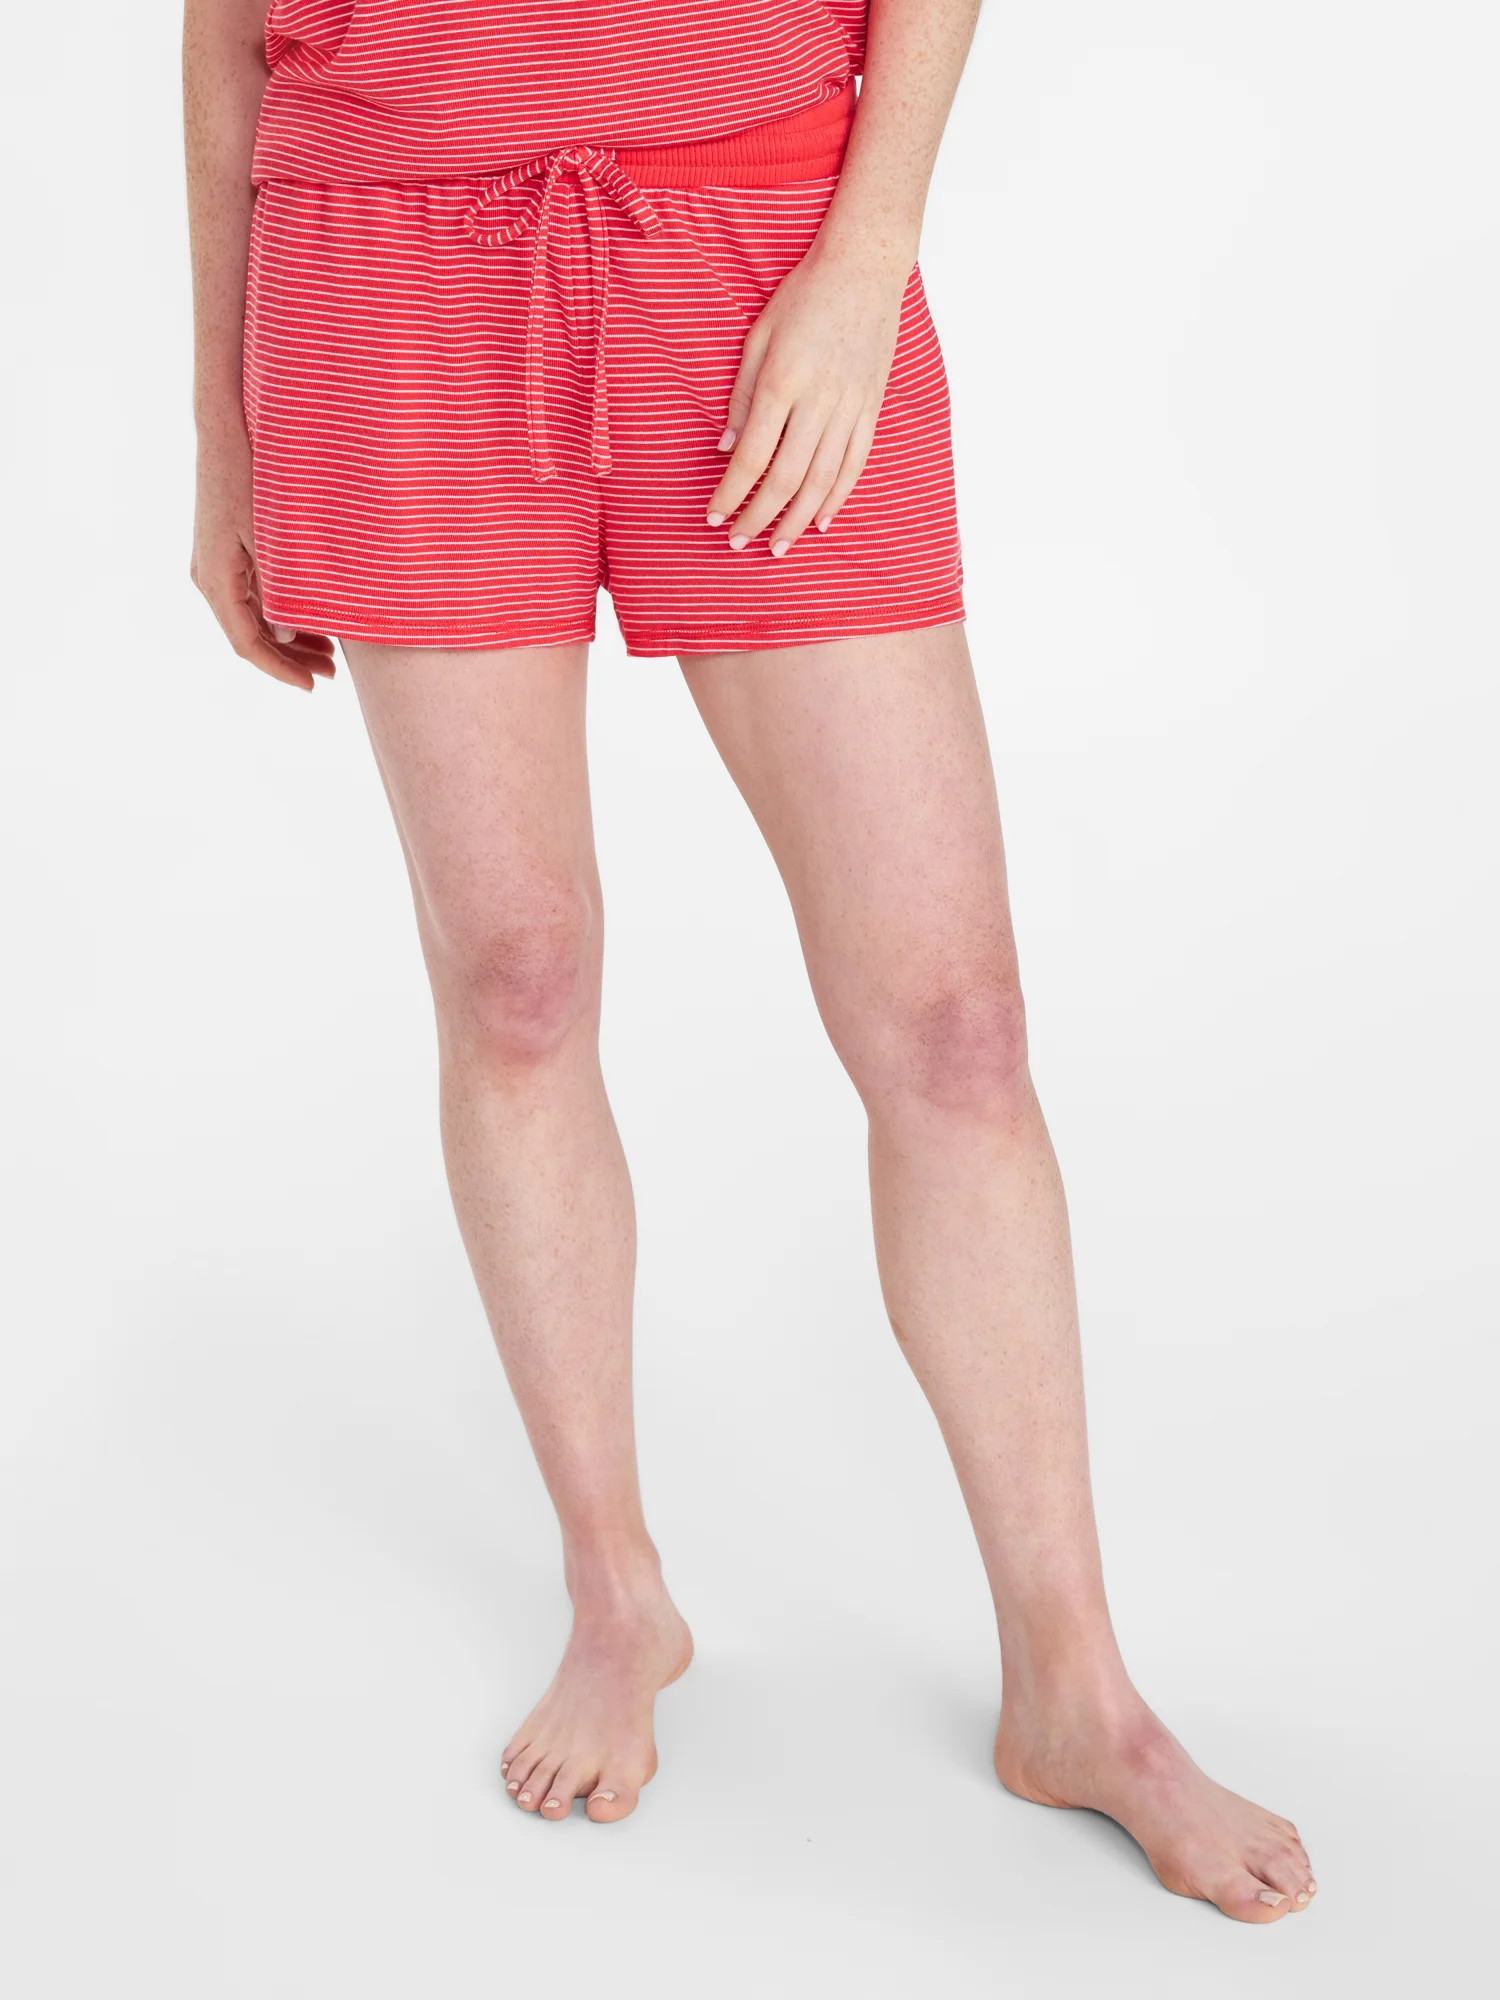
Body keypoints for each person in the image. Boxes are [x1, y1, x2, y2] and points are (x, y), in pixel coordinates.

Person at [184, 0, 1315, 1923]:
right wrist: (224, 440)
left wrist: (869, 252)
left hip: (759, 241)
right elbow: (222, 34)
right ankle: (615, 1596)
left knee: (953, 1026)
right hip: (387, 275)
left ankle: (1077, 1685)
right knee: (518, 981)